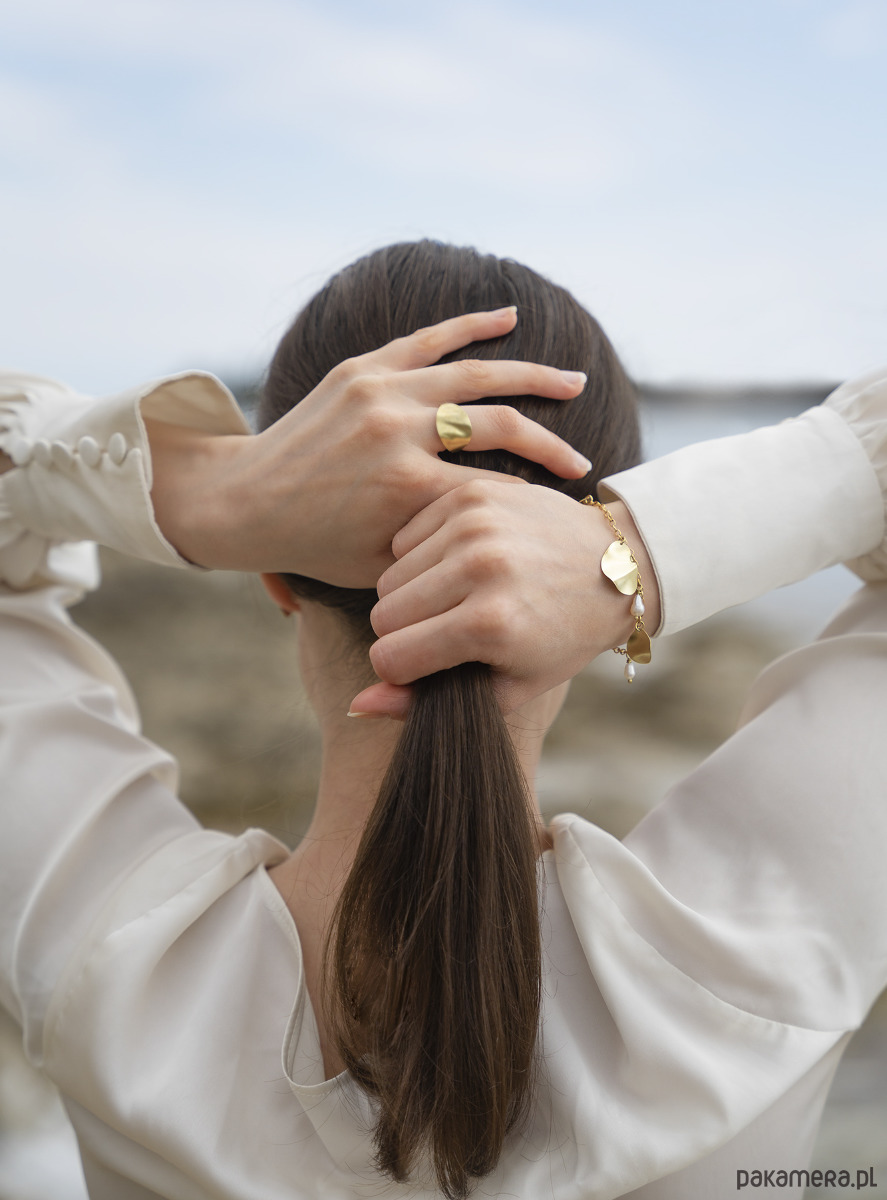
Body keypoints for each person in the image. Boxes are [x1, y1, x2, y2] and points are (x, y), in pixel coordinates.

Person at [0, 240, 883, 1200]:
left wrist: (210, 495)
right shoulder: (759, 943)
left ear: (275, 577)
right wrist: (632, 557)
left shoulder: (101, 954)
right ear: (580, 623)